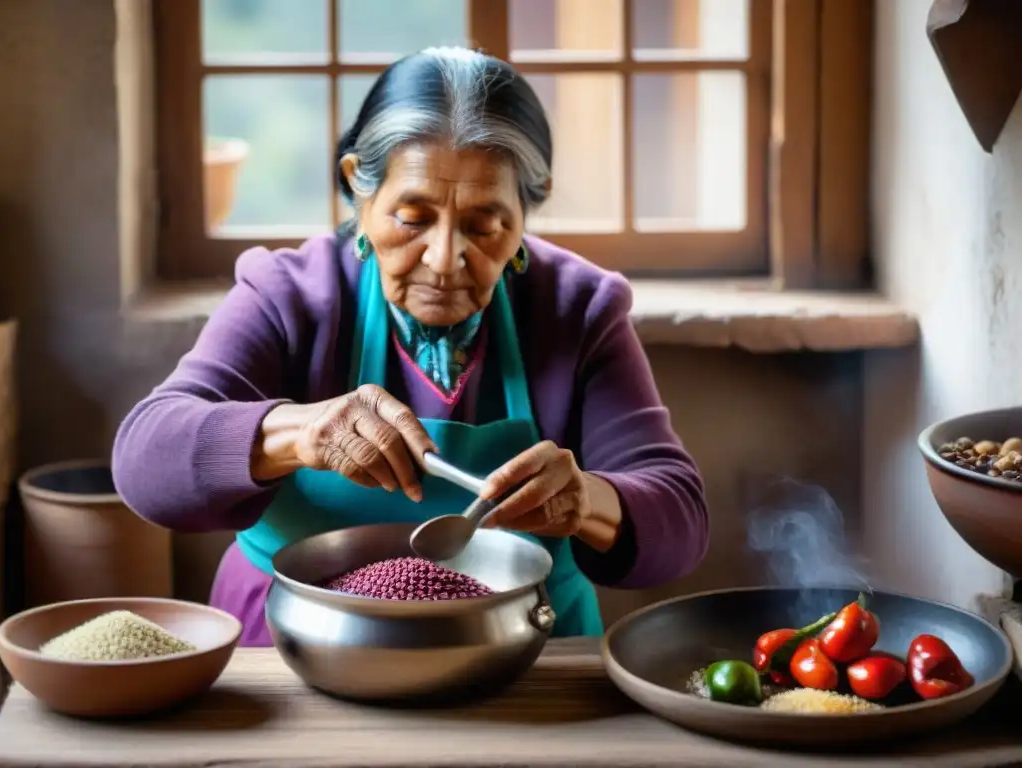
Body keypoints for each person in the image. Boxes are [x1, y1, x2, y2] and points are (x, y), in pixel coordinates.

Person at [112, 46, 708, 646]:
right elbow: (146, 460)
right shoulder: (288, 294)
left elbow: (681, 520)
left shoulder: (576, 307)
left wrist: (587, 501)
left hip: (519, 651)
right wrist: (303, 432)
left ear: (529, 205)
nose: (445, 259)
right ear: (358, 190)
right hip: (293, 646)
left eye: (484, 225)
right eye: (412, 217)